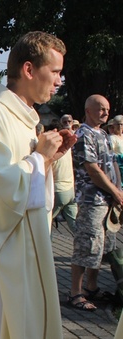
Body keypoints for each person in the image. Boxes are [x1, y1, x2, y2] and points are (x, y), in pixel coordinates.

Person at [0, 31, 74, 339]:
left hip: (23, 250)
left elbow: (33, 192)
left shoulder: (25, 119)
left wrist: (48, 160)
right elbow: (1, 191)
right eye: (55, 72)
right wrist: (39, 159)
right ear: (29, 70)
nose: (60, 81)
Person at [69, 94, 123, 311]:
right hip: (92, 200)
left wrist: (118, 190)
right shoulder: (83, 134)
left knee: (101, 246)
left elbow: (111, 164)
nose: (105, 113)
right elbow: (93, 170)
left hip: (107, 200)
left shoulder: (102, 133)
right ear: (88, 110)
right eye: (101, 109)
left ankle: (92, 288)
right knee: (86, 245)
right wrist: (116, 193)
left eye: (107, 109)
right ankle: (75, 293)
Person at [52, 114, 78, 231]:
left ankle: (47, 249)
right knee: (76, 226)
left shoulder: (54, 150)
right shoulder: (67, 146)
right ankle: (87, 247)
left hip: (58, 190)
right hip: (71, 190)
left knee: (45, 224)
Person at [109, 115, 123, 187]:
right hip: (118, 168)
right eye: (118, 124)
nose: (120, 126)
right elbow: (111, 154)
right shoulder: (112, 138)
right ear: (114, 125)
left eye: (121, 124)